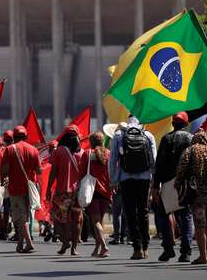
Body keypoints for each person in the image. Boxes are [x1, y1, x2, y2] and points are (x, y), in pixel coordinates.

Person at [109, 115, 156, 260]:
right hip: (144, 179)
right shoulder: (148, 135)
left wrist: (113, 180)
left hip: (126, 178)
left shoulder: (118, 135)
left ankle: (137, 248)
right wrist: (154, 179)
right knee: (143, 212)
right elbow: (154, 159)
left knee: (130, 212)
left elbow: (113, 160)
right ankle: (146, 247)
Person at [152, 111, 194, 262]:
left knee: (163, 215)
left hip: (168, 182)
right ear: (186, 124)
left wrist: (156, 185)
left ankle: (168, 248)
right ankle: (186, 252)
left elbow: (160, 164)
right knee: (186, 216)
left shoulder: (166, 138)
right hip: (185, 183)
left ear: (173, 123)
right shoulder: (191, 138)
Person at [176, 129, 207, 265]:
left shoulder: (191, 150)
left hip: (198, 193)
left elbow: (181, 168)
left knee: (200, 224)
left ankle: (202, 257)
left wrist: (178, 182)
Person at [1, 125, 41, 253]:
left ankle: (29, 243)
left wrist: (3, 179)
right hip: (29, 188)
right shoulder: (33, 150)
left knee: (20, 217)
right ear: (25, 136)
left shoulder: (9, 149)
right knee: (26, 217)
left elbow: (5, 170)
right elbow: (39, 170)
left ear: (14, 136)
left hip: (16, 188)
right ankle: (19, 244)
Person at [46, 125, 84, 256]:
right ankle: (74, 248)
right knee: (77, 219)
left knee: (59, 219)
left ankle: (64, 241)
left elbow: (53, 172)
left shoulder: (58, 151)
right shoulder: (82, 152)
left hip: (62, 192)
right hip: (78, 192)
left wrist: (48, 189)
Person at [82, 131, 112, 258]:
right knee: (100, 221)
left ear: (91, 142)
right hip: (106, 190)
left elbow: (81, 172)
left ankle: (104, 246)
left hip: (92, 190)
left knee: (95, 221)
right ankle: (97, 249)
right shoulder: (109, 153)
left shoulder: (87, 154)